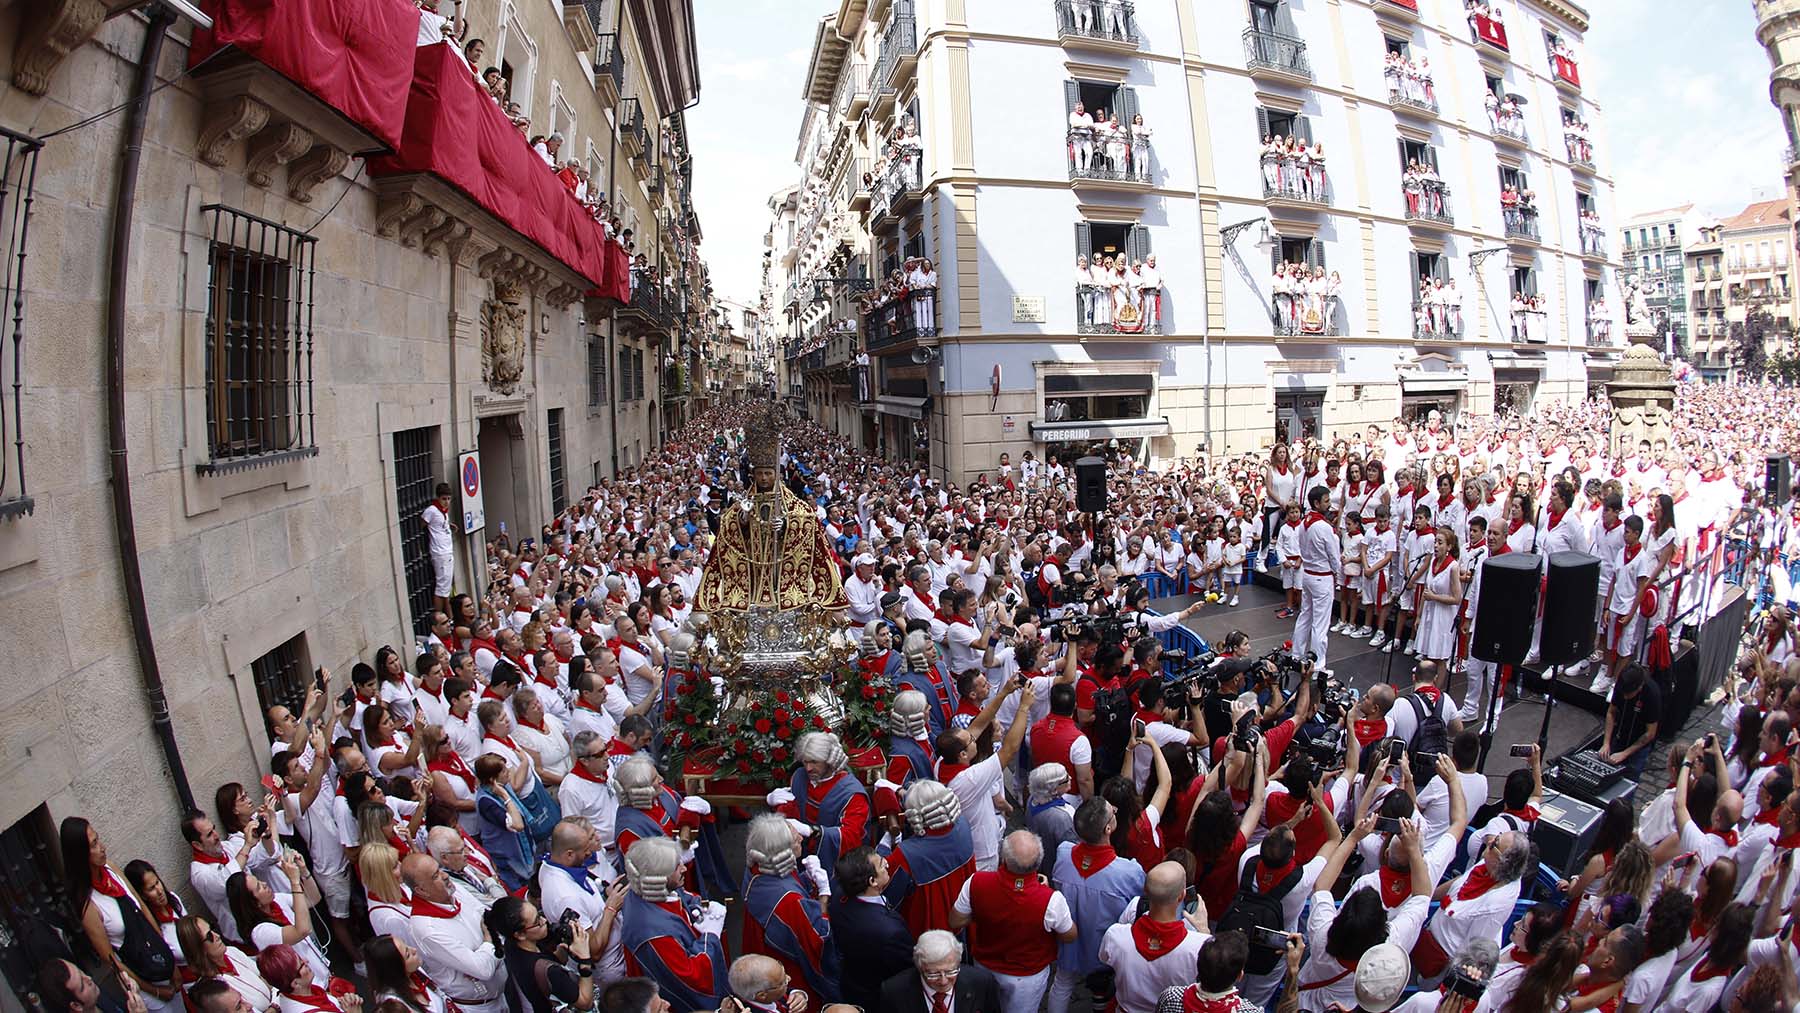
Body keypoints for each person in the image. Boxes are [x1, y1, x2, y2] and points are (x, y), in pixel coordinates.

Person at [949, 831, 1075, 1013]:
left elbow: (955, 920)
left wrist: (984, 912)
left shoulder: (976, 881)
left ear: (1004, 859)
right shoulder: (1052, 900)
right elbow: (1069, 935)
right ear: (1038, 863)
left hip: (985, 965)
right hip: (1027, 977)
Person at [1047, 797, 1147, 1013]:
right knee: (1104, 989)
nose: (1114, 810)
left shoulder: (1064, 854)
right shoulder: (1128, 872)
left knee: (1062, 983)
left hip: (1069, 941)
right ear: (1108, 828)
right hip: (1104, 945)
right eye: (1112, 811)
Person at [615, 837, 727, 1010]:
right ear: (657, 879)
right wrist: (710, 938)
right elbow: (691, 977)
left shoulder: (647, 890)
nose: (684, 868)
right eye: (676, 867)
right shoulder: (654, 934)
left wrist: (697, 908)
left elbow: (680, 895)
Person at [740, 815, 837, 1004]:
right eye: (794, 839)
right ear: (781, 852)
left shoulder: (757, 868)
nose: (801, 838)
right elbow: (818, 939)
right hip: (790, 974)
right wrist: (824, 895)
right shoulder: (790, 900)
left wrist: (808, 879)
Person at [402, 853, 509, 1013]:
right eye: (435, 876)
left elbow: (494, 921)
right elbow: (483, 970)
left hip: (504, 991)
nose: (445, 875)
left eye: (439, 869)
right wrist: (488, 939)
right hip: (479, 1007)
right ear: (422, 890)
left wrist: (484, 951)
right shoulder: (426, 928)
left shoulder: (454, 889)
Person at [1099, 860, 1208, 1013]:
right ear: (1181, 896)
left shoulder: (1115, 935)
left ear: (1146, 891)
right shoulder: (1199, 945)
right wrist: (1204, 929)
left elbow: (1105, 959)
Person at [885, 780, 977, 938]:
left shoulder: (906, 854)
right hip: (962, 919)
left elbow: (888, 896)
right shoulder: (963, 825)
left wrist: (883, 847)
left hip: (928, 932)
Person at [828, 846, 915, 1010]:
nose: (888, 864)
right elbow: (908, 968)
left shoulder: (840, 895)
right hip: (879, 995)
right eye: (882, 864)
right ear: (872, 881)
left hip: (853, 982)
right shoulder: (890, 932)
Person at [486, 895, 606, 1013]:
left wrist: (562, 951)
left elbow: (544, 969)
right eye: (537, 921)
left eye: (539, 914)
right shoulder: (549, 971)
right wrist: (584, 960)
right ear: (520, 934)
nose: (544, 921)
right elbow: (585, 1002)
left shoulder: (512, 945)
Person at [878, 930, 1003, 1013]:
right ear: (920, 966)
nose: (943, 981)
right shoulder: (893, 991)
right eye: (933, 974)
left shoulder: (982, 982)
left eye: (951, 971)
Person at [1294, 486, 1342, 671]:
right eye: (1326, 501)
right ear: (1316, 503)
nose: (1329, 505)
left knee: (1305, 616)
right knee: (1320, 624)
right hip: (1322, 577)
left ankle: (1297, 656)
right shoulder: (1323, 527)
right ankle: (1317, 666)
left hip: (1308, 575)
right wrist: (1338, 574)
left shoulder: (1303, 523)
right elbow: (1334, 557)